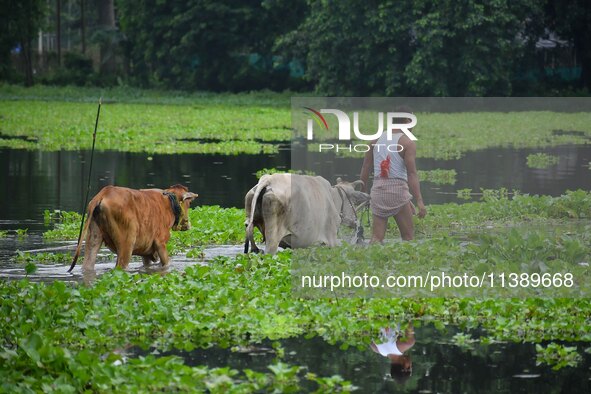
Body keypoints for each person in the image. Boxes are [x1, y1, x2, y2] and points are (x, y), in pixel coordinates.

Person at [360, 110, 426, 242]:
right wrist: (419, 200)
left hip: (377, 191)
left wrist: (363, 193)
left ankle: (368, 260)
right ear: (407, 122)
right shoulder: (407, 143)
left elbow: (365, 168)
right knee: (408, 237)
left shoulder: (375, 140)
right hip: (398, 191)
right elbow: (412, 173)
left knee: (376, 237)